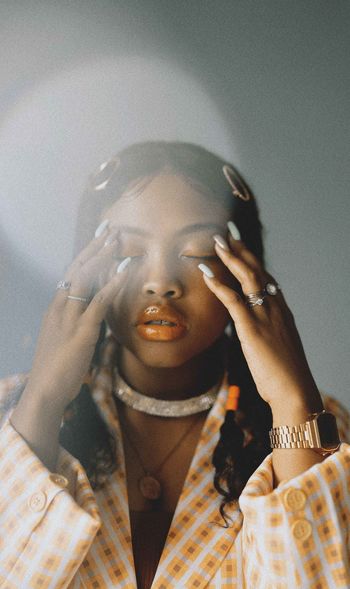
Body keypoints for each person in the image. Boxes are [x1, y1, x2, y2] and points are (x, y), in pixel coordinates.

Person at [0, 141, 349, 589]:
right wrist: (43, 400)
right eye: (128, 250)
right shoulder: (13, 414)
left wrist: (292, 400)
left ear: (247, 271)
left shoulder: (324, 434)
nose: (160, 283)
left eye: (198, 252)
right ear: (86, 266)